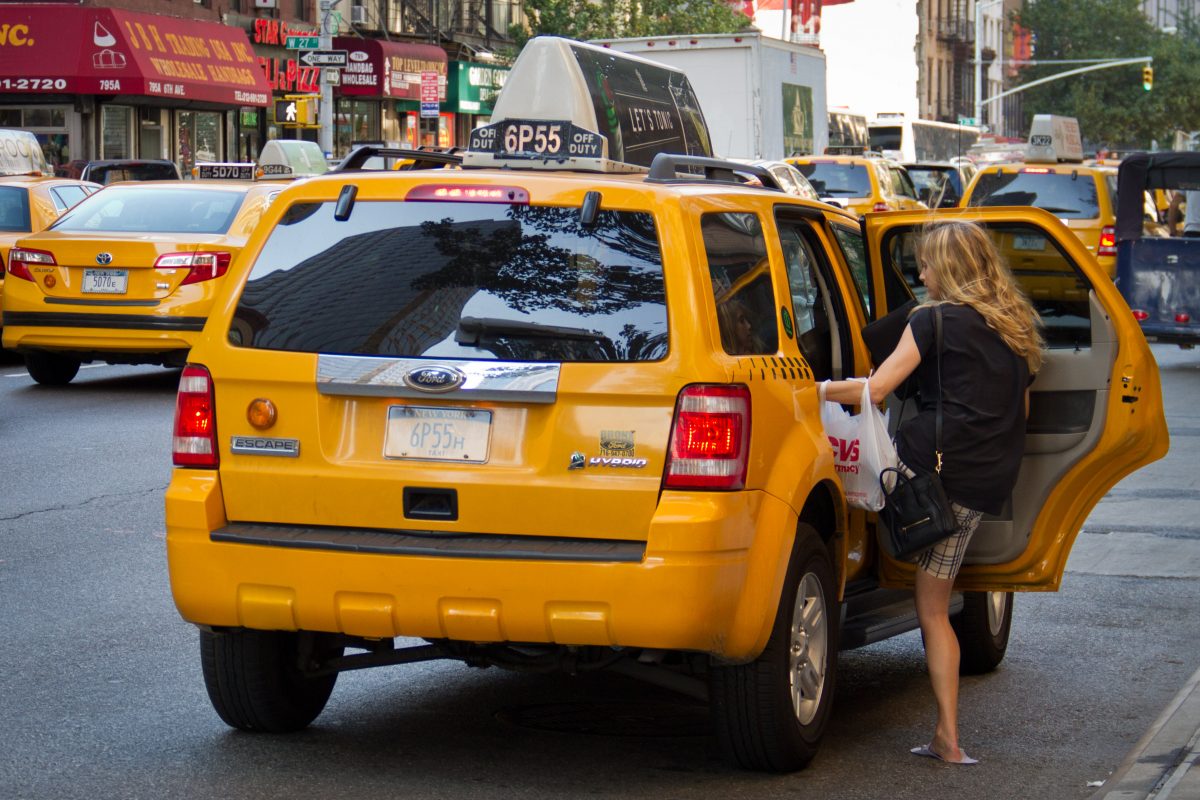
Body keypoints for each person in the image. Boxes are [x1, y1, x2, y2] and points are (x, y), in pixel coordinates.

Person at [818, 220, 1044, 765]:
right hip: (981, 484)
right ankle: (946, 737)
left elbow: (876, 390)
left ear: (951, 269)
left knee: (841, 479)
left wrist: (815, 389)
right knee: (934, 600)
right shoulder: (1013, 329)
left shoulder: (931, 321)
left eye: (928, 265)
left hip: (925, 471)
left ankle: (948, 736)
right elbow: (1023, 414)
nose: (922, 273)